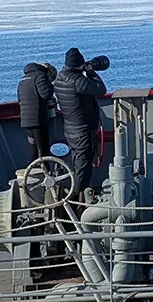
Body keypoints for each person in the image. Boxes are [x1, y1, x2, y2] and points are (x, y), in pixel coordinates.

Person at [54, 48, 107, 196]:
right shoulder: (77, 81)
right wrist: (91, 72)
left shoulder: (60, 78)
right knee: (83, 167)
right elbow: (101, 89)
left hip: (70, 128)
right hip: (83, 129)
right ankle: (78, 198)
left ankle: (81, 195)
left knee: (78, 163)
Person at [17, 62, 57, 164]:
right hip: (38, 118)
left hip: (26, 119)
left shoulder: (23, 79)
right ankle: (47, 174)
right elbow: (46, 94)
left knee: (33, 150)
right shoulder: (40, 75)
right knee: (43, 150)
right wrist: (52, 86)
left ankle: (31, 172)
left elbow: (20, 99)